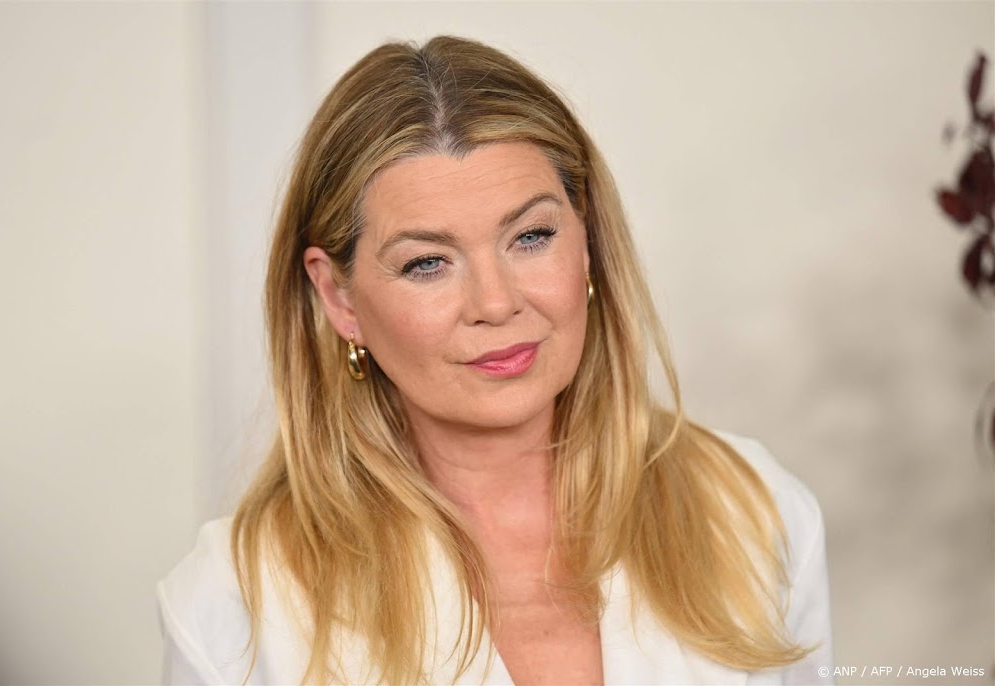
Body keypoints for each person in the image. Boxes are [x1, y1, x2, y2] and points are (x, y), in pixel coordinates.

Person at [156, 35, 834, 686]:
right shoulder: (233, 606)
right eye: (427, 263)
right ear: (339, 297)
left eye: (531, 236)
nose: (497, 303)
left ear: (588, 240)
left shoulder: (754, 510)